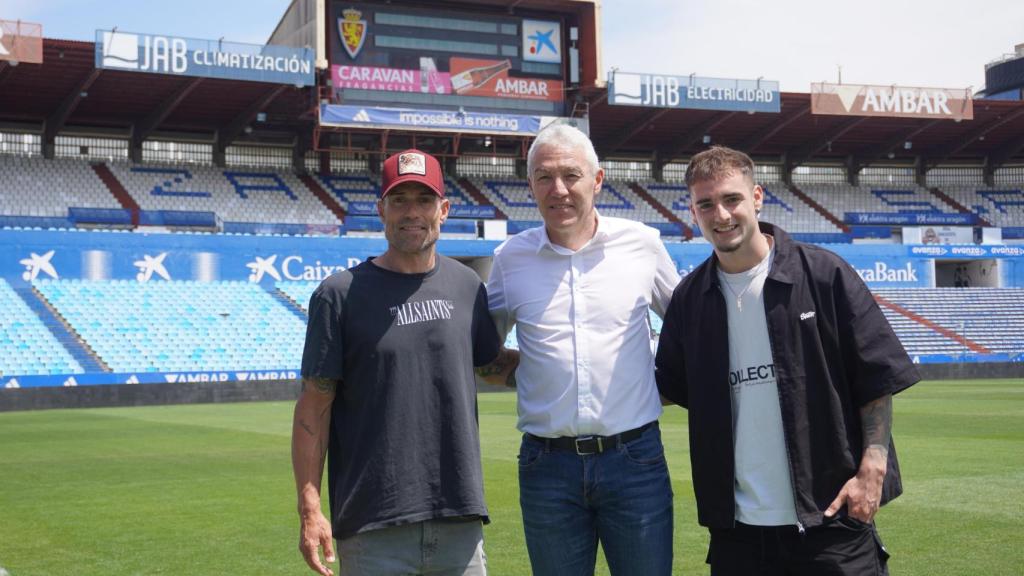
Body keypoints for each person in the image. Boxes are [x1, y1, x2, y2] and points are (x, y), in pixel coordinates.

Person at [655, 146, 920, 575]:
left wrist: (874, 465)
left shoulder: (823, 273)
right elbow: (669, 387)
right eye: (706, 204)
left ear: (757, 197)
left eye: (732, 199)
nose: (720, 215)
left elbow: (875, 376)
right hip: (737, 532)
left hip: (831, 519)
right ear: (692, 211)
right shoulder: (690, 299)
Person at [292, 149, 510, 576]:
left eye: (424, 200)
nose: (412, 212)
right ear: (381, 210)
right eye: (400, 200)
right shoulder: (338, 295)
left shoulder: (468, 286)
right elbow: (314, 408)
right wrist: (310, 508)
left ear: (443, 210)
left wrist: (569, 363)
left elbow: (491, 366)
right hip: (373, 528)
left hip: (459, 522)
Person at [482, 123, 680, 575]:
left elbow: (692, 325)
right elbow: (483, 350)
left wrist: (668, 383)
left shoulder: (642, 245)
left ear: (597, 179)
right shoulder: (510, 258)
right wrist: (526, 372)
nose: (559, 189)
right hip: (547, 466)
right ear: (530, 185)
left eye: (571, 175)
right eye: (544, 177)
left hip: (634, 460)